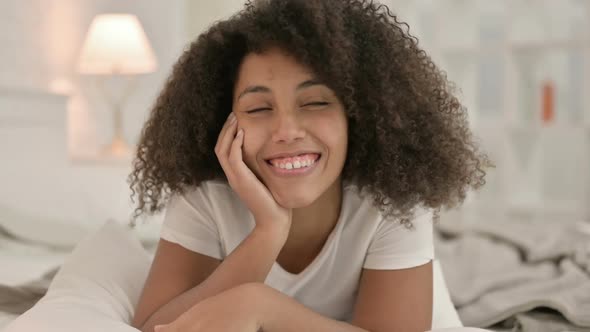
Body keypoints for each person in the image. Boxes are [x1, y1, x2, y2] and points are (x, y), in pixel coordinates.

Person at [129, 0, 489, 331]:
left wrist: (260, 306)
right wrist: (267, 232)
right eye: (257, 109)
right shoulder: (205, 198)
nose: (286, 131)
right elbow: (153, 327)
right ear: (224, 122)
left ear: (357, 116)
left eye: (315, 103)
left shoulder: (393, 201)